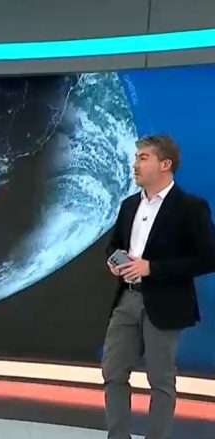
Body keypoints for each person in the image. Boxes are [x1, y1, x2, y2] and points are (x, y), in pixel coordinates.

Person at [103, 134, 215, 439]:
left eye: (143, 158)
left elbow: (208, 258)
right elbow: (114, 244)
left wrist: (152, 268)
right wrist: (114, 261)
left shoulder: (190, 207)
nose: (135, 164)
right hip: (126, 300)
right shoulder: (129, 205)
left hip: (165, 303)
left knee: (160, 379)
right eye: (136, 157)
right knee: (113, 372)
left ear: (165, 164)